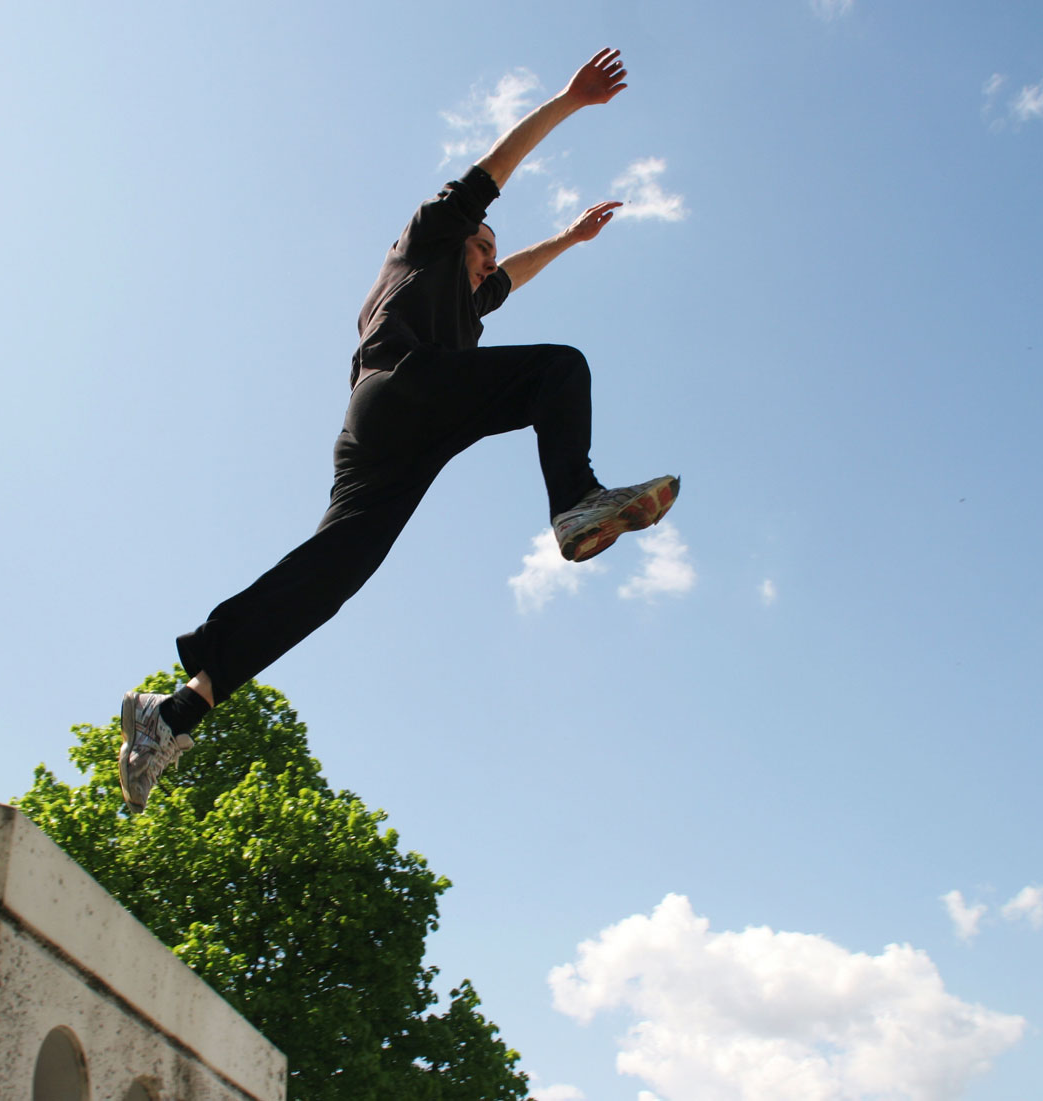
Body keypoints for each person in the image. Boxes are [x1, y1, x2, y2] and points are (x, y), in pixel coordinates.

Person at [118, 47, 679, 813]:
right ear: (461, 236)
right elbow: (494, 166)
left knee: (332, 574)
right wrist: (570, 100)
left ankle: (174, 711)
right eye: (483, 251)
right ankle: (576, 497)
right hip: (399, 389)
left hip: (395, 438)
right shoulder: (426, 240)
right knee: (559, 368)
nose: (488, 268)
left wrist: (571, 242)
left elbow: (516, 269)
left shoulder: (470, 298)